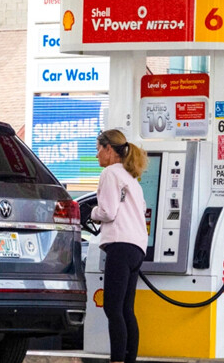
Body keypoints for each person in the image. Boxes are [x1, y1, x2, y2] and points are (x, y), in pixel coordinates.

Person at [90, 129, 148, 363]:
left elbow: (108, 211)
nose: (97, 156)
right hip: (136, 247)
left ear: (109, 149)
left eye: (98, 149)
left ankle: (117, 360)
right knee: (126, 310)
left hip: (120, 245)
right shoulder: (131, 177)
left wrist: (92, 212)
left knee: (112, 308)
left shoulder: (110, 173)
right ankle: (128, 359)